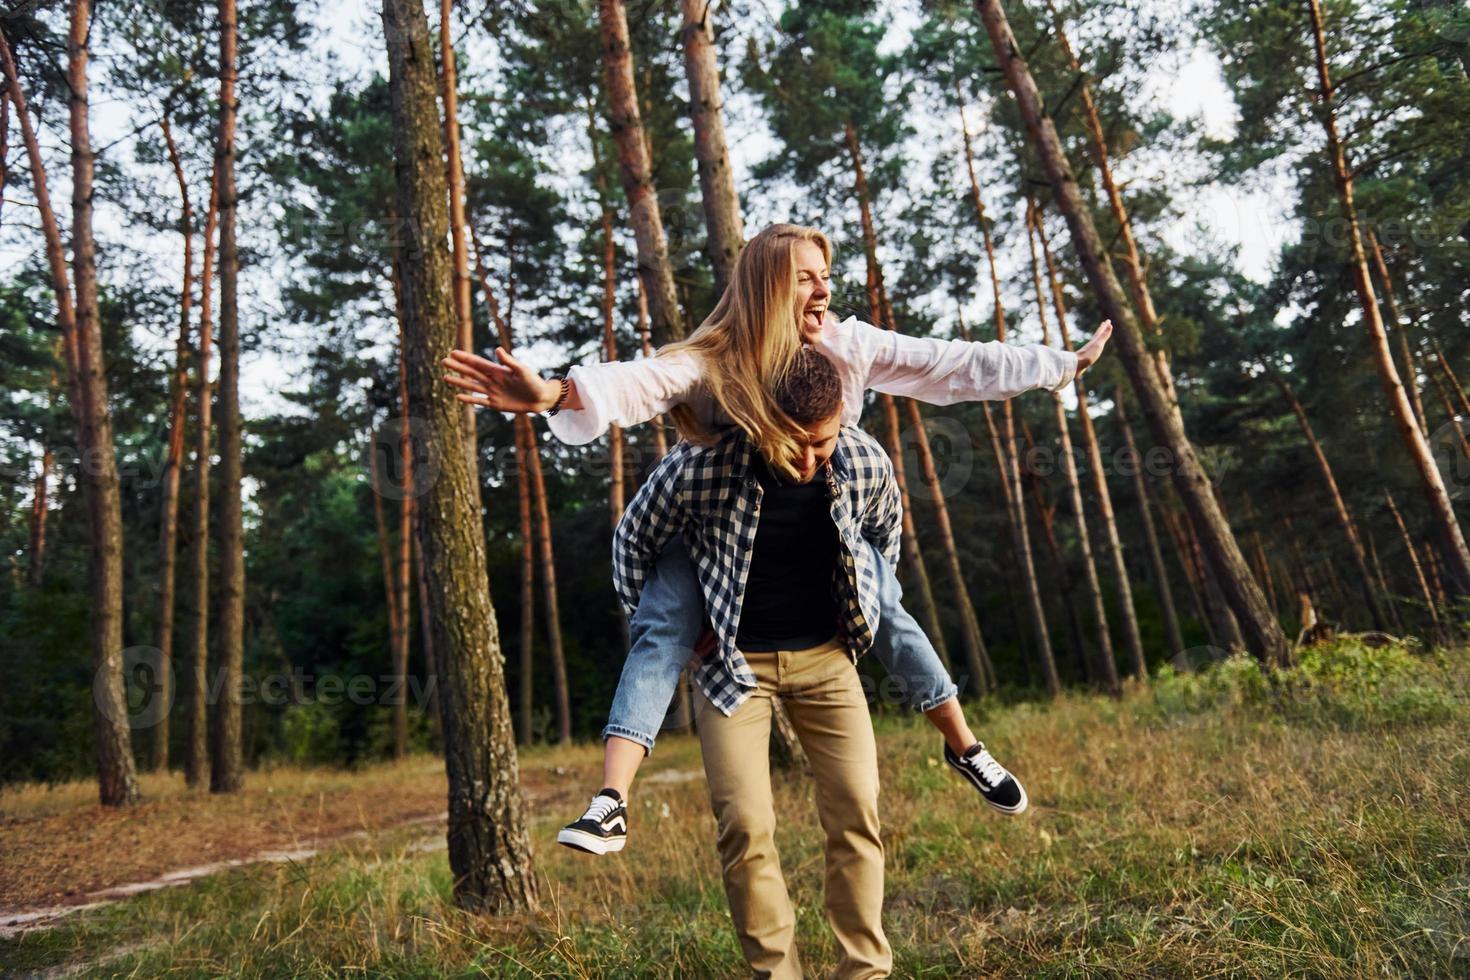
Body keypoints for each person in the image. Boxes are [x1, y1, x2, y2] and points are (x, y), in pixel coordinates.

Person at [441, 224, 1112, 852]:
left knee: (889, 605)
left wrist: (1059, 366)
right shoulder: (715, 357)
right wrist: (555, 394)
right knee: (663, 625)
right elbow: (640, 383)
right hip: (714, 521)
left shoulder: (851, 345)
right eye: (805, 278)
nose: (823, 290)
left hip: (818, 516)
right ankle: (611, 799)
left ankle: (964, 745)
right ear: (767, 287)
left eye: (826, 276)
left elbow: (955, 365)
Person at [616, 348, 900, 977]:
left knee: (857, 814)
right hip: (732, 674)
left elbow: (885, 540)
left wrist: (863, 614)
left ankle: (866, 971)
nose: (806, 461)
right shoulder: (699, 466)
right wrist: (677, 635)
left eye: (819, 444)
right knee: (745, 827)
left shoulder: (863, 462)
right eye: (790, 444)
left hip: (828, 663)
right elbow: (632, 540)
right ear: (760, 421)